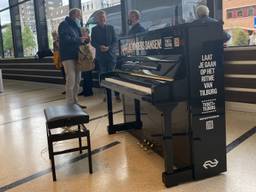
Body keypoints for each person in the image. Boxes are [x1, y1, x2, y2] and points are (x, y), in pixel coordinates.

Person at [58, 8, 89, 108]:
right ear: (73, 15)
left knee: (77, 80)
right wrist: (79, 39)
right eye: (79, 15)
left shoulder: (76, 26)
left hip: (77, 56)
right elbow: (65, 40)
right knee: (71, 79)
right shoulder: (64, 25)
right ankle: (70, 104)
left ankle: (76, 102)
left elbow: (79, 41)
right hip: (68, 56)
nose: (80, 17)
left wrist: (85, 40)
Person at [91, 10, 120, 102]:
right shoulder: (94, 29)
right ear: (97, 19)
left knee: (112, 75)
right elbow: (93, 42)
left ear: (105, 18)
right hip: (101, 56)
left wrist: (109, 48)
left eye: (103, 17)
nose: (102, 18)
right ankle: (106, 95)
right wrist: (99, 47)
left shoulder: (111, 28)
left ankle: (117, 94)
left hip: (111, 55)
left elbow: (115, 41)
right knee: (103, 75)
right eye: (100, 17)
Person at [52, 31, 66, 95]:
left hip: (65, 59)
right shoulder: (54, 43)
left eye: (55, 35)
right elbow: (55, 51)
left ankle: (70, 89)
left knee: (67, 75)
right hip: (60, 60)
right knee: (64, 75)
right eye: (53, 35)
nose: (54, 37)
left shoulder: (62, 40)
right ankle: (66, 89)